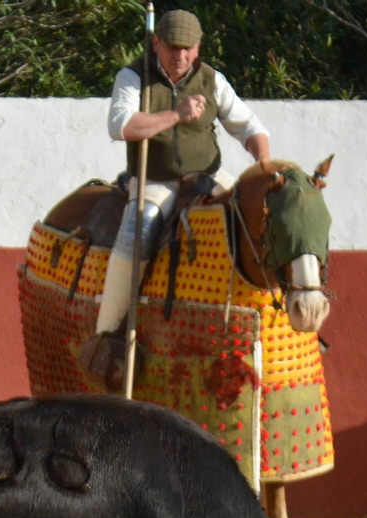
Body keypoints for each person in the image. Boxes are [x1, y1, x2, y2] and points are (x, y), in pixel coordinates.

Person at [97, 8, 272, 334]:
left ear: (198, 47)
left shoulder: (211, 79)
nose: (180, 55)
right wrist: (176, 114)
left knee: (253, 218)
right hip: (155, 180)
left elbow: (249, 126)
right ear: (156, 43)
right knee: (139, 228)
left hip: (207, 175)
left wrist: (263, 163)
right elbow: (121, 125)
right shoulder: (134, 77)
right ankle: (107, 336)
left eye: (187, 48)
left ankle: (278, 315)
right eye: (172, 47)